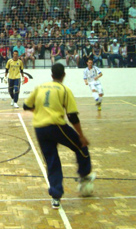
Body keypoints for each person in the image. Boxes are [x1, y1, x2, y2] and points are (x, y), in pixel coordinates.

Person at [23, 63, 95, 209]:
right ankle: (85, 176)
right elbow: (72, 116)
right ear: (64, 75)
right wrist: (81, 136)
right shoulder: (64, 89)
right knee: (81, 147)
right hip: (56, 126)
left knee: (52, 160)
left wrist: (39, 112)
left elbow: (26, 106)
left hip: (39, 129)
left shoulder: (40, 87)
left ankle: (56, 197)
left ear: (51, 75)